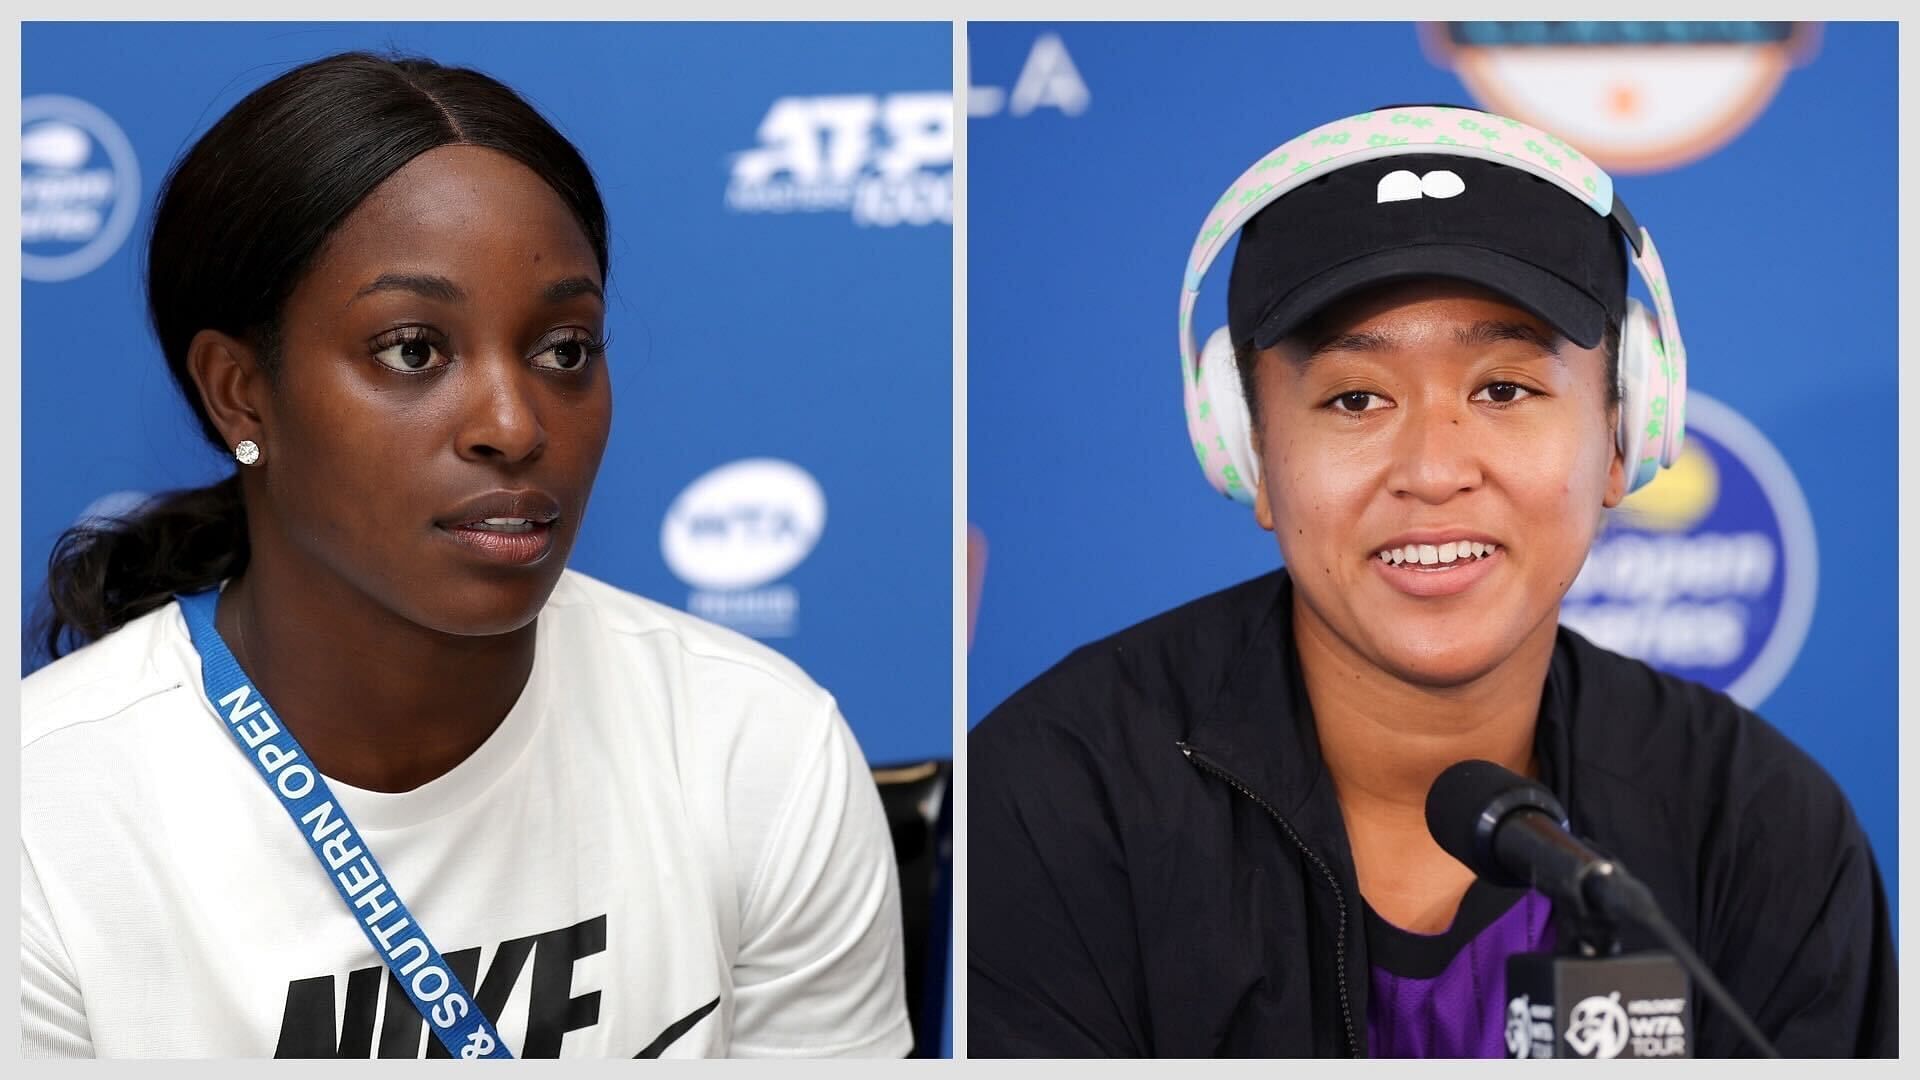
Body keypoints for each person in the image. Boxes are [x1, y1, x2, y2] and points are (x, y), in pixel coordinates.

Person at [21, 51, 909, 1059]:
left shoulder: (758, 753)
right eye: (413, 350)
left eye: (564, 349)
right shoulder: (40, 818)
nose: (512, 423)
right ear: (239, 392)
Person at [967, 105, 1896, 1058]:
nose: (1434, 467)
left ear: (1627, 434)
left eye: (1504, 389)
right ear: (1246, 453)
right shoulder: (1060, 803)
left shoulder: (1755, 829)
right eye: (1355, 399)